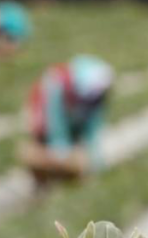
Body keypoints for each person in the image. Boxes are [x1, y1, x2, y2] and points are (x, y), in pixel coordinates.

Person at [20, 55, 114, 190]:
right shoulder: (56, 83)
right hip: (44, 123)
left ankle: (71, 182)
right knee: (43, 152)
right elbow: (54, 118)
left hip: (71, 121)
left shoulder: (96, 94)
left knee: (77, 161)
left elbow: (92, 125)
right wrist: (60, 149)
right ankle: (42, 182)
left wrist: (95, 158)